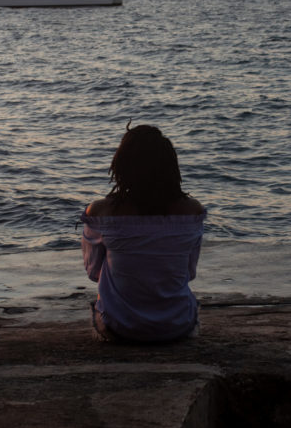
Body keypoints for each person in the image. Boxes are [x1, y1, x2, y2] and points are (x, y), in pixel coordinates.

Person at [81, 124, 206, 342]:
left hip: (118, 327)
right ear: (171, 168)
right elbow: (189, 273)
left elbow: (93, 273)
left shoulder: (101, 211)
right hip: (178, 325)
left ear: (121, 167)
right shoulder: (192, 211)